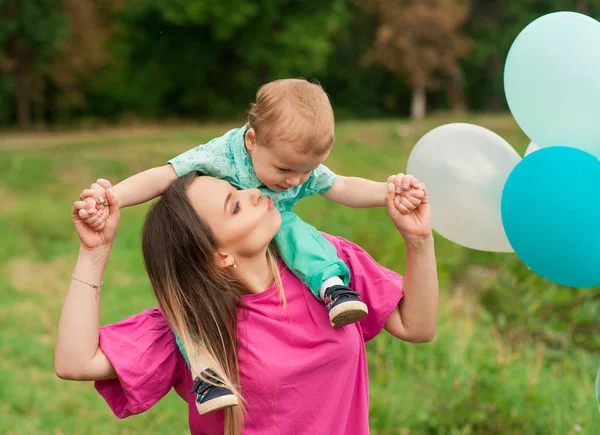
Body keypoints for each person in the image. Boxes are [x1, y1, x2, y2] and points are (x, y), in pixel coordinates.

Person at [77, 78, 425, 413]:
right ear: (252, 141)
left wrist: (389, 194)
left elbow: (342, 187)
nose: (295, 183)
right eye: (285, 170)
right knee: (192, 312)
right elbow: (163, 176)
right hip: (218, 263)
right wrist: (113, 198)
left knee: (292, 225)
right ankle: (206, 370)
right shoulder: (220, 156)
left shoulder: (307, 193)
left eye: (308, 171)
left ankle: (332, 286)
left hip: (276, 236)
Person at [56, 173, 438, 435]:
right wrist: (94, 251)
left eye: (237, 189)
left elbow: (417, 326)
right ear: (218, 255)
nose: (255, 193)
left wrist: (418, 240)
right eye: (234, 206)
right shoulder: (192, 328)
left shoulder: (326, 267)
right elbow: (76, 362)